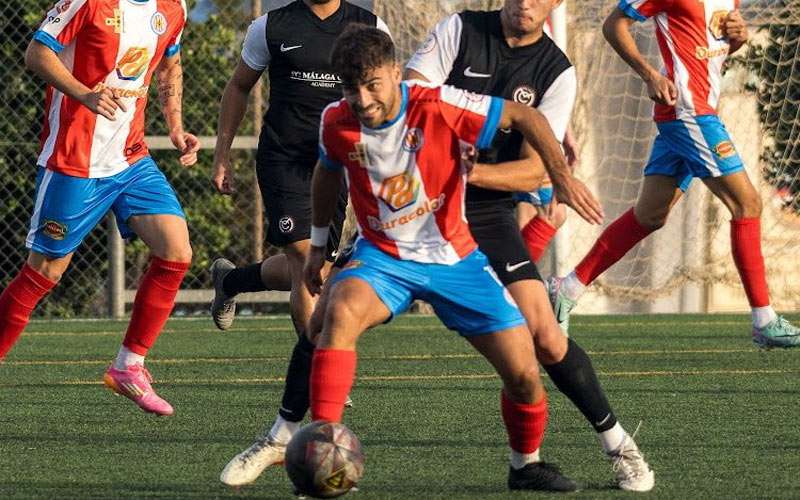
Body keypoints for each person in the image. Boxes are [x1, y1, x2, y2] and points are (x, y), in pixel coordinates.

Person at [304, 23, 602, 493]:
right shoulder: (335, 121)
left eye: (372, 85)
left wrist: (560, 178)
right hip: (384, 258)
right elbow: (326, 171)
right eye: (351, 88)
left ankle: (525, 466)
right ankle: (321, 456)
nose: (362, 100)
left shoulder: (437, 104)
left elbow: (525, 117)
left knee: (524, 372)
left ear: (396, 74)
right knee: (337, 313)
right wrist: (318, 245)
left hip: (456, 258)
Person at [403, 0, 654, 491]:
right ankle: (287, 433)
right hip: (414, 202)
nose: (526, 2)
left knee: (544, 334)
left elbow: (536, 171)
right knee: (332, 304)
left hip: (484, 208)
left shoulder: (556, 72)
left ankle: (617, 446)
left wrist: (466, 172)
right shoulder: (460, 29)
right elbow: (412, 95)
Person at [548, 0, 800, 348]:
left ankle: (568, 287)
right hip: (688, 114)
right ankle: (764, 320)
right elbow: (613, 24)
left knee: (649, 216)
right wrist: (649, 73)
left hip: (696, 114)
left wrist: (737, 38)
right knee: (748, 204)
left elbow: (714, 47)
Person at [211, 0, 391, 486]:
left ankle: (233, 279)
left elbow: (391, 92)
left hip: (338, 161)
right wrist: (222, 154)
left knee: (313, 268)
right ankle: (320, 359)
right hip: (284, 162)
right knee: (304, 260)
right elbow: (239, 87)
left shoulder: (370, 25)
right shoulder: (270, 26)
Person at [0, 0, 199, 416]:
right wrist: (83, 93)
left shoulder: (174, 7)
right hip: (74, 161)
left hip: (131, 159)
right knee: (44, 272)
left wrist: (176, 127)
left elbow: (169, 64)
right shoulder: (86, 2)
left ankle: (129, 366)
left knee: (176, 251)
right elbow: (37, 52)